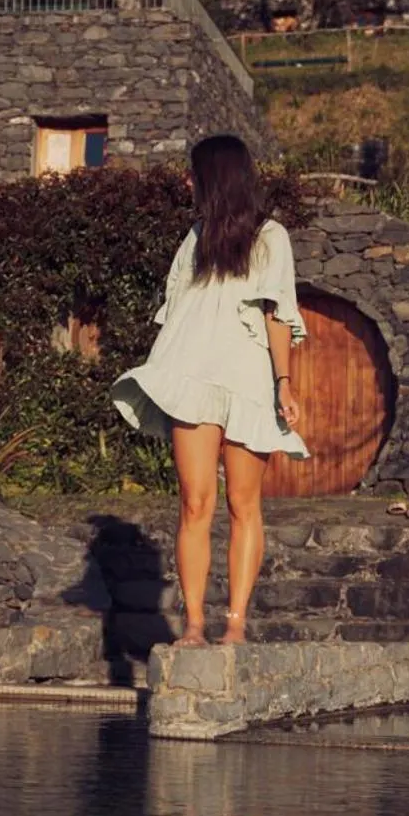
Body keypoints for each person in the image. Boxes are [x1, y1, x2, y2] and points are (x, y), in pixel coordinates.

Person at [113, 134, 309, 644]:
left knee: (245, 504)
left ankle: (236, 625)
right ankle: (195, 625)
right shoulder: (194, 238)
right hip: (194, 378)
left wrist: (284, 383)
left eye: (193, 174)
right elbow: (178, 312)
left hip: (247, 381)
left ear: (215, 179)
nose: (186, 182)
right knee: (195, 503)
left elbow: (277, 314)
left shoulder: (271, 238)